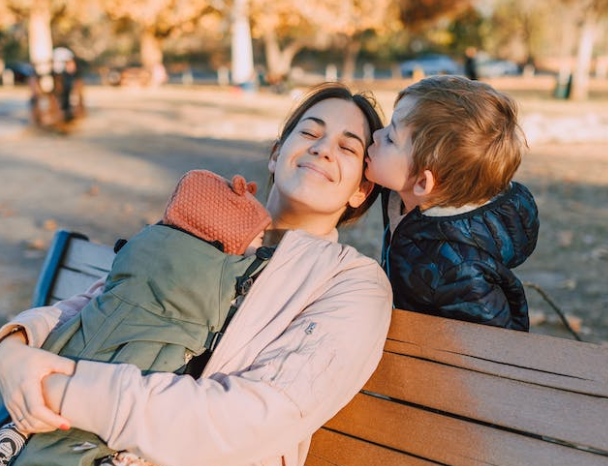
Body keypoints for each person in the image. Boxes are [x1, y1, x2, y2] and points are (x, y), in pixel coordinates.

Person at [0, 82, 392, 466]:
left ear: (361, 189)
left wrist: (58, 386)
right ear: (276, 154)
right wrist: (14, 348)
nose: (322, 148)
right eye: (309, 131)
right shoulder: (207, 220)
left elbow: (250, 419)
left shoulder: (352, 283)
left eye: (346, 147)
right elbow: (105, 299)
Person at [0, 169, 273, 465]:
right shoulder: (227, 283)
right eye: (257, 237)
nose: (258, 248)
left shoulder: (143, 248)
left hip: (68, 367)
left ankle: (17, 435)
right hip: (137, 395)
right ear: (228, 237)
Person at [365, 75, 539, 331]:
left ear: (424, 183)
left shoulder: (459, 270)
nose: (376, 136)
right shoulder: (409, 199)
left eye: (391, 138)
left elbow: (497, 346)